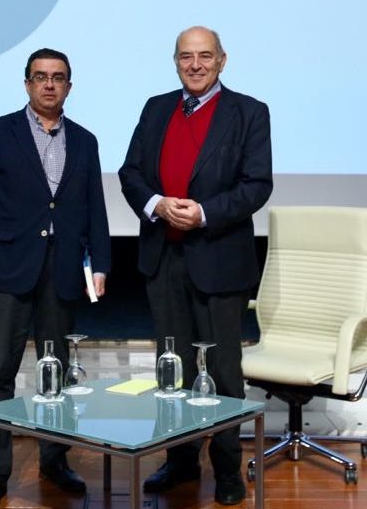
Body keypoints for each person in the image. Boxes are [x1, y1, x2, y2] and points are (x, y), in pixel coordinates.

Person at [118, 26, 272, 506]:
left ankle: (228, 470)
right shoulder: (155, 107)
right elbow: (131, 173)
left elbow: (256, 185)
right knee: (174, 369)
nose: (196, 65)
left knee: (224, 371)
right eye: (187, 56)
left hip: (219, 258)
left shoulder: (250, 112)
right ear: (175, 61)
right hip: (163, 257)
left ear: (223, 60)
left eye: (206, 56)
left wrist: (204, 213)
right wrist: (157, 204)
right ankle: (180, 461)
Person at [0, 48, 112, 508]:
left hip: (62, 272)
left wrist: (100, 264)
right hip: (7, 270)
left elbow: (95, 209)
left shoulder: (85, 140)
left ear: (69, 85)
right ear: (27, 84)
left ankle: (54, 460)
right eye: (40, 77)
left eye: (58, 77)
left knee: (57, 375)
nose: (49, 84)